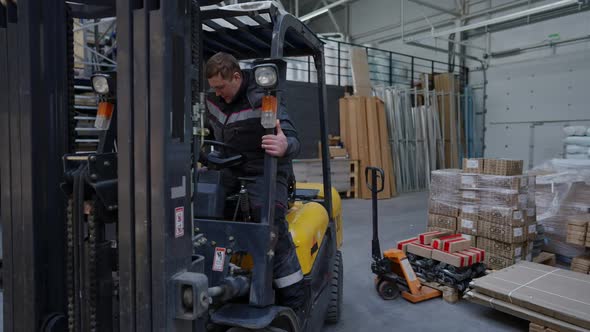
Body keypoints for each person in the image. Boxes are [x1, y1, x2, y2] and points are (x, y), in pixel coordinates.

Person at [204, 52, 306, 312]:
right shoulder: (211, 101)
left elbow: (293, 139)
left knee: (270, 226)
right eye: (213, 88)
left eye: (221, 87)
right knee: (208, 219)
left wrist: (285, 145)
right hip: (229, 170)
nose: (217, 94)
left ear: (236, 77)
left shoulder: (264, 98)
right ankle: (217, 282)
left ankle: (295, 298)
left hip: (266, 170)